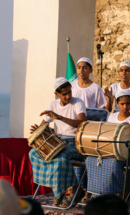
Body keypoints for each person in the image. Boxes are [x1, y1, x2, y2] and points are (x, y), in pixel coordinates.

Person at [28, 77, 86, 207]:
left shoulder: (78, 103)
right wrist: (38, 130)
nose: (68, 96)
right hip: (58, 143)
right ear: (56, 94)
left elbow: (82, 122)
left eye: (69, 92)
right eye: (64, 94)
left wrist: (59, 117)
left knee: (60, 158)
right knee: (33, 154)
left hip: (75, 143)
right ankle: (72, 188)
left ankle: (68, 193)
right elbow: (43, 126)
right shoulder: (53, 105)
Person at [85, 90, 130, 200]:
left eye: (128, 103)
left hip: (129, 154)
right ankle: (96, 193)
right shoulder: (112, 117)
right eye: (122, 104)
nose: (125, 107)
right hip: (111, 151)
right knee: (91, 159)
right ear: (117, 104)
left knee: (113, 164)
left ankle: (117, 195)